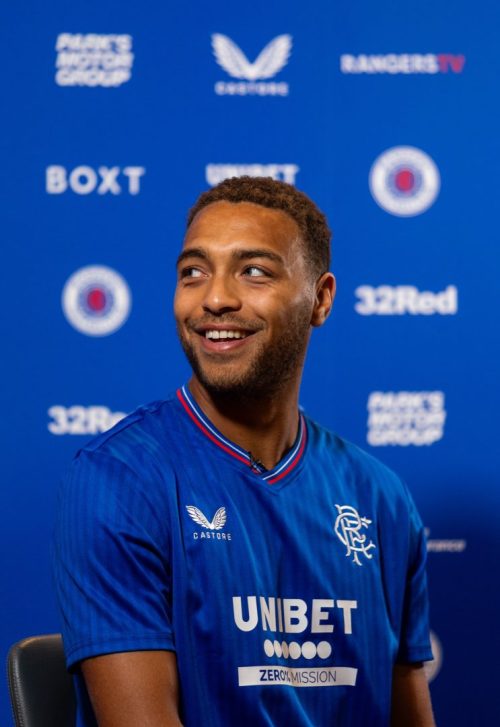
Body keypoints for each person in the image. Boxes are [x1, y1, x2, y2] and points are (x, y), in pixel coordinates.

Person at [52, 176, 435, 727]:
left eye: (253, 271)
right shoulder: (117, 481)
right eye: (194, 272)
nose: (215, 298)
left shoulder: (381, 499)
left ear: (320, 299)